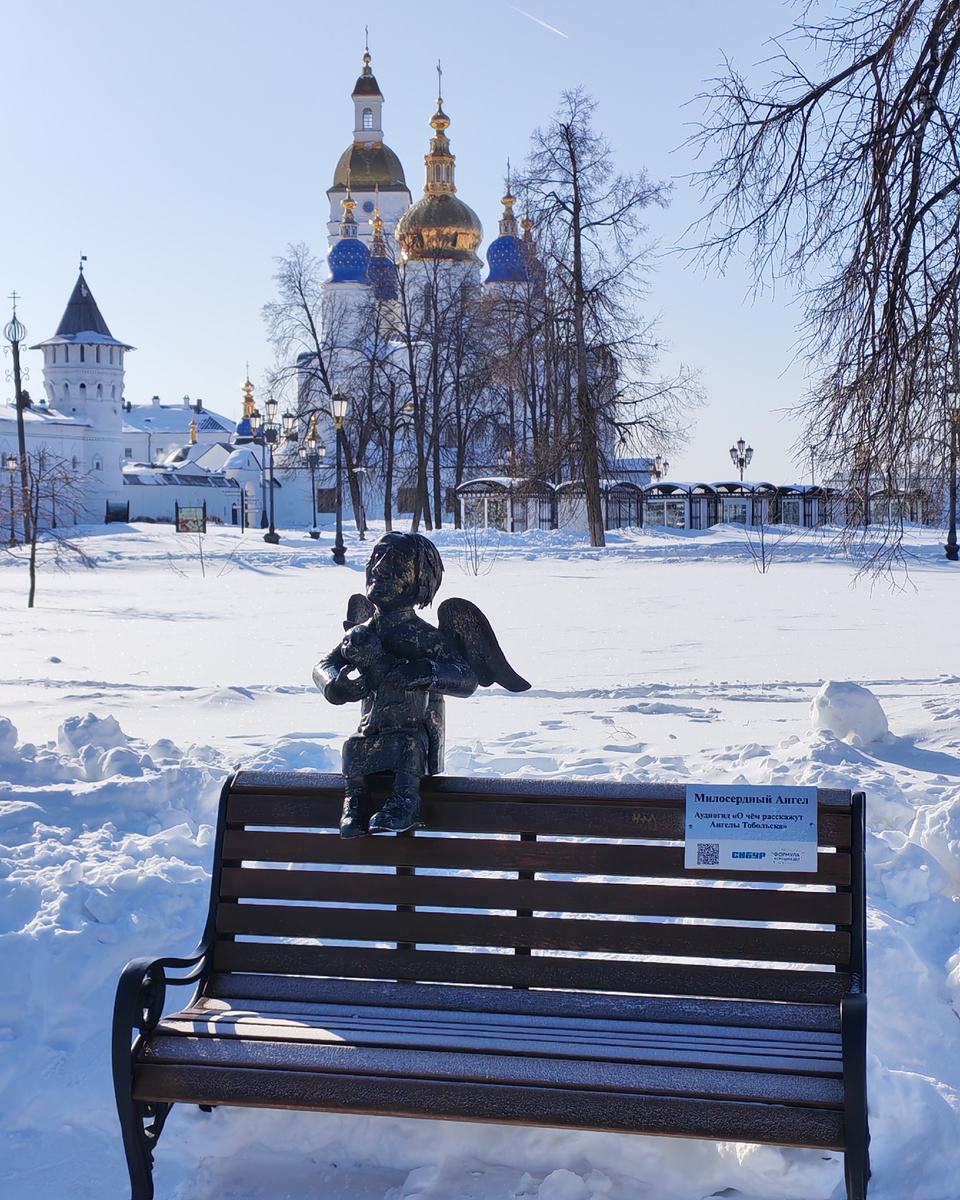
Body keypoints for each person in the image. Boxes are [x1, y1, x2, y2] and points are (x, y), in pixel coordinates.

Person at [314, 532, 478, 836]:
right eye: (377, 558)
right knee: (352, 748)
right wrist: (334, 685)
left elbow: (467, 678)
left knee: (408, 746)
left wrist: (426, 670)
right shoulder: (363, 632)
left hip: (413, 734)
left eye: (396, 566)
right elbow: (323, 666)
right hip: (372, 729)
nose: (379, 569)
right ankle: (356, 800)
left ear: (419, 581)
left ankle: (406, 799)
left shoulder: (426, 638)